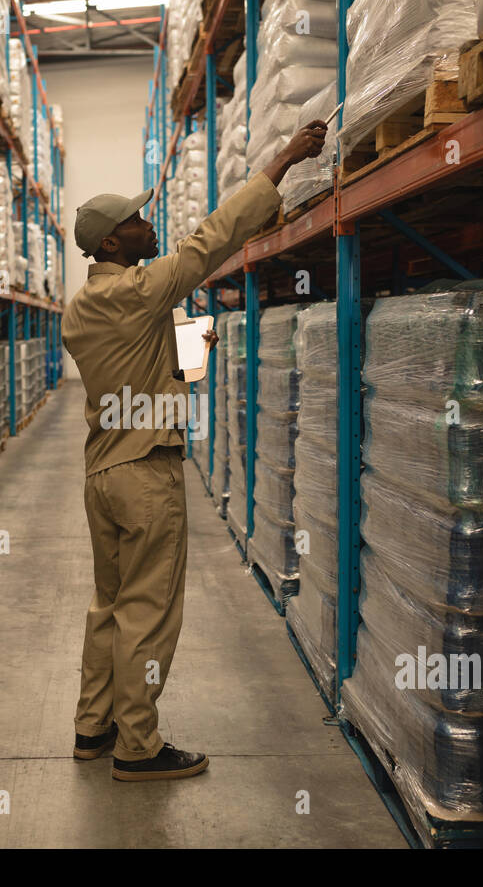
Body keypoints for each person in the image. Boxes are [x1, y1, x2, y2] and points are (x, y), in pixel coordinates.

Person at [62, 120, 328, 781]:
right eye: (136, 220)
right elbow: (210, 242)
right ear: (111, 242)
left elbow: (131, 367)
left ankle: (93, 728)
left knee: (110, 605)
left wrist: (185, 358)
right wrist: (283, 160)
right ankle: (139, 748)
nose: (148, 223)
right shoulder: (140, 289)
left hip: (102, 471)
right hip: (146, 475)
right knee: (148, 614)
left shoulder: (81, 309)